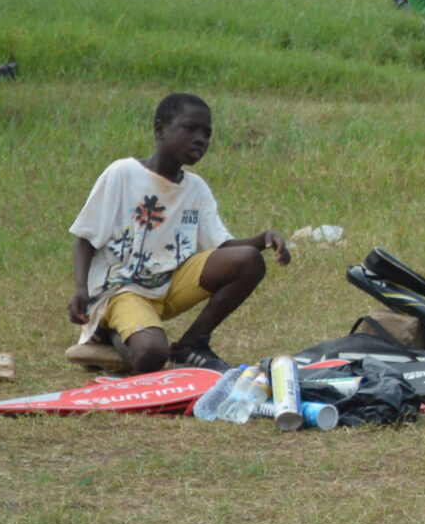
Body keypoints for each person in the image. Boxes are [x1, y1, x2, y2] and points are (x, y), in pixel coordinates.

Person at [67, 93, 288, 375]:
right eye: (190, 129)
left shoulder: (195, 189)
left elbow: (222, 246)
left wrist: (264, 240)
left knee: (248, 260)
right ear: (160, 130)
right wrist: (81, 289)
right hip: (121, 291)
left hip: (168, 285)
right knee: (151, 355)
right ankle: (107, 335)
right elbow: (85, 237)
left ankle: (190, 346)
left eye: (207, 134)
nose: (201, 139)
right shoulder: (123, 173)